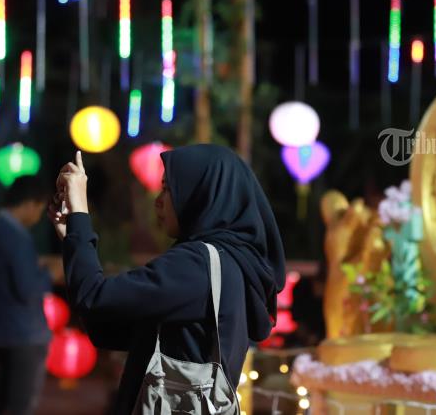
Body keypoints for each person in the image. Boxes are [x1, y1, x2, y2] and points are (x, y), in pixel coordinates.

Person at [51, 145, 286, 414]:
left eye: (168, 189)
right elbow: (111, 326)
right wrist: (73, 238)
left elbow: (94, 298)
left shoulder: (196, 264)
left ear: (201, 194)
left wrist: (80, 213)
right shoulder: (234, 262)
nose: (158, 201)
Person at [0, 175, 53, 415]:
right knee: (20, 405)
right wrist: (47, 273)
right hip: (25, 334)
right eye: (39, 209)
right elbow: (27, 289)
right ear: (29, 204)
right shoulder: (17, 239)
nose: (37, 217)